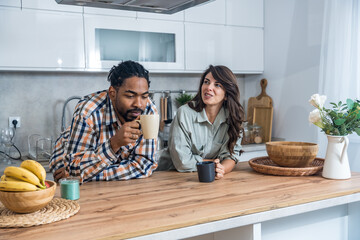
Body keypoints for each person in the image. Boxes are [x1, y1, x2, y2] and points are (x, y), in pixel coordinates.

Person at [49, 60, 158, 183]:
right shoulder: (88, 112)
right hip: (64, 157)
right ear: (112, 93)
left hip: (104, 176)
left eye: (144, 96)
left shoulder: (148, 111)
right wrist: (114, 143)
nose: (139, 104)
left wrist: (88, 174)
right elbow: (72, 169)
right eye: (130, 96)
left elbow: (145, 165)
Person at [158, 65, 244, 179]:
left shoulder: (233, 118)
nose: (209, 87)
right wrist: (213, 164)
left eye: (217, 85)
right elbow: (182, 162)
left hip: (206, 178)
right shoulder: (184, 113)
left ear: (227, 95)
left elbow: (231, 156)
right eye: (206, 82)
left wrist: (221, 169)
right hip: (169, 178)